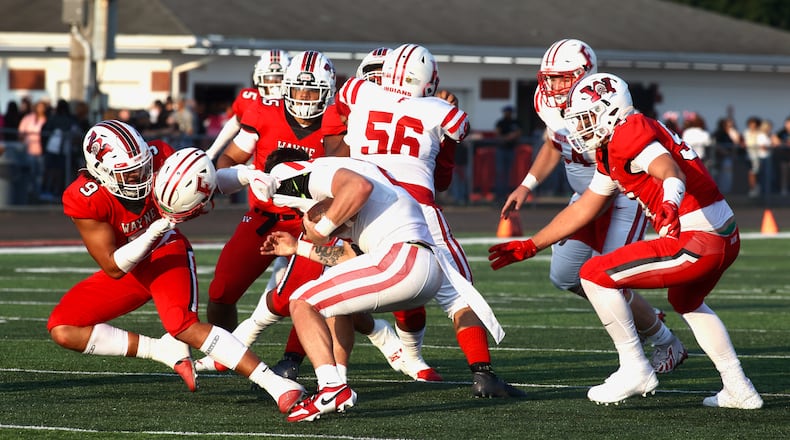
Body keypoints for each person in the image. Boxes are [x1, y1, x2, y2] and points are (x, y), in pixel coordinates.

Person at [489, 73, 763, 409]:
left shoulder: (629, 133)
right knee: (686, 301)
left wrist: (670, 203)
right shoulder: (612, 147)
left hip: (697, 237)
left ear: (610, 111)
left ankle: (635, 368)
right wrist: (531, 245)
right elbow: (587, 206)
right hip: (721, 233)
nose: (579, 128)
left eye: (586, 118)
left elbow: (669, 171)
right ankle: (739, 387)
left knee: (594, 274)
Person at [46, 120, 307, 414]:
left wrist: (247, 175)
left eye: (144, 166)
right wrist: (153, 231)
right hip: (128, 265)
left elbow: (207, 178)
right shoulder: (84, 199)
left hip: (167, 253)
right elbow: (113, 266)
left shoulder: (159, 156)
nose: (142, 177)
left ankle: (276, 384)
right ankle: (160, 349)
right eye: (130, 173)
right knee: (63, 328)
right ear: (102, 172)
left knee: (181, 324)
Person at [334, 43, 523, 397]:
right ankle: (482, 374)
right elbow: (443, 178)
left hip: (362, 207)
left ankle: (333, 379)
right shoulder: (443, 112)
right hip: (416, 207)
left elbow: (348, 107)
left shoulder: (356, 91)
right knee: (459, 294)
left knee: (340, 288)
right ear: (428, 82)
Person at [262, 149, 506, 422]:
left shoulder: (329, 175)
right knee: (330, 295)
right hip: (423, 264)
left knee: (302, 300)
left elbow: (356, 187)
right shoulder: (374, 183)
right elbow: (348, 256)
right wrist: (299, 247)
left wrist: (319, 229)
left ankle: (332, 388)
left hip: (402, 260)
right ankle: (336, 380)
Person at [500, 39, 686, 374]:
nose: (552, 86)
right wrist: (527, 184)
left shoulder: (602, 104)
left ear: (584, 74)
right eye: (549, 78)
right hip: (585, 197)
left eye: (560, 78)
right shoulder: (546, 102)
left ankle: (663, 343)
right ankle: (640, 314)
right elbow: (553, 144)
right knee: (565, 276)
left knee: (611, 278)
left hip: (623, 198)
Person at [206, 50, 336, 332]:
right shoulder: (265, 112)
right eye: (298, 90)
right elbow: (228, 161)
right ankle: (222, 351)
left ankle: (297, 359)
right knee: (220, 292)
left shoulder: (337, 126)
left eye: (312, 92)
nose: (303, 98)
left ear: (328, 92)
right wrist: (248, 175)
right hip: (264, 218)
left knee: (314, 299)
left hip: (313, 225)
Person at [205, 49, 291, 161]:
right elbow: (235, 122)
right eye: (269, 79)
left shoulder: (298, 106)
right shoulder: (250, 99)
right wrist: (212, 152)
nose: (274, 85)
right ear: (258, 78)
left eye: (279, 79)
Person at [41, 99, 79, 200]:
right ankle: (55, 191)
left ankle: (49, 190)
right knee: (58, 172)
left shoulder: (53, 119)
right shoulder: (70, 119)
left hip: (54, 149)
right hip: (60, 149)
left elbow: (45, 130)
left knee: (52, 171)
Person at [18, 98, 49, 202]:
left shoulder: (47, 119)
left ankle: (38, 193)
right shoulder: (29, 118)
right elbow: (21, 131)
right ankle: (29, 192)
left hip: (41, 151)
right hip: (29, 150)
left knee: (40, 173)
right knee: (30, 172)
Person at [494, 105, 522, 202]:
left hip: (511, 150)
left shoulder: (515, 123)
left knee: (509, 173)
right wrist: (507, 137)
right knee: (500, 173)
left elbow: (518, 133)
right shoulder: (501, 123)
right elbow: (497, 134)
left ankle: (507, 194)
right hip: (501, 149)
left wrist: (511, 137)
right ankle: (499, 195)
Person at [774, 115, 790, 196]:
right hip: (783, 159)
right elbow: (775, 140)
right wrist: (784, 143)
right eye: (787, 123)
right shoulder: (782, 132)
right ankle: (783, 190)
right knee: (783, 174)